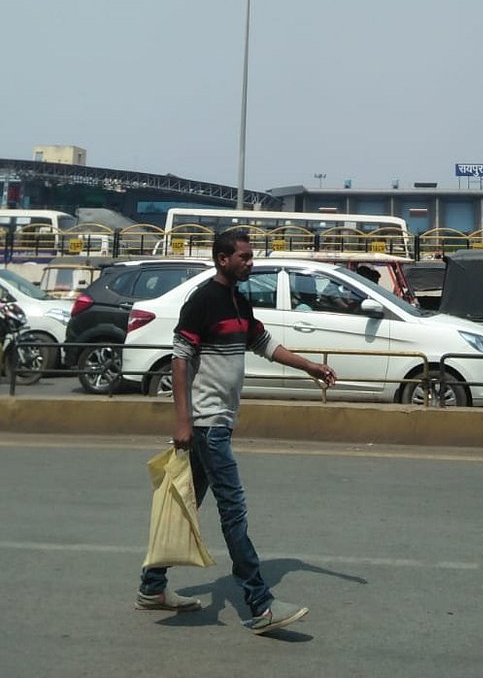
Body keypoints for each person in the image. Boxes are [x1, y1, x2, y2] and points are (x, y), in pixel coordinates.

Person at [136, 229, 337, 631]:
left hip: (214, 425)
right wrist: (183, 421)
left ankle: (152, 587)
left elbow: (264, 343)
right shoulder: (203, 301)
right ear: (222, 259)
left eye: (251, 256)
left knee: (184, 505)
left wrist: (311, 367)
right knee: (234, 512)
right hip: (206, 425)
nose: (250, 262)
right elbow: (179, 358)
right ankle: (260, 605)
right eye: (244, 257)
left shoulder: (238, 301)